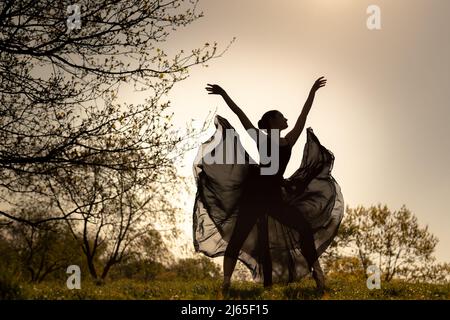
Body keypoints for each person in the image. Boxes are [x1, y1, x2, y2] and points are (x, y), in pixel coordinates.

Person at [192, 77, 344, 295]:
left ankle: (318, 276)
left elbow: (304, 114)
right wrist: (224, 94)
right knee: (237, 238)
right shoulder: (261, 139)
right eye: (282, 116)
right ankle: (226, 283)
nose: (286, 119)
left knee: (303, 229)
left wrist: (312, 91)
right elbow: (240, 114)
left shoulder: (289, 139)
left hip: (274, 198)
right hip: (254, 196)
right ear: (272, 121)